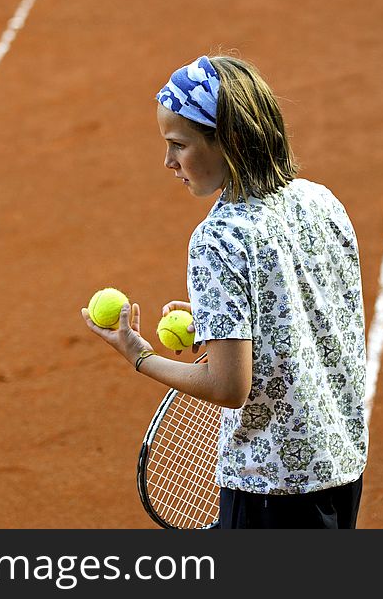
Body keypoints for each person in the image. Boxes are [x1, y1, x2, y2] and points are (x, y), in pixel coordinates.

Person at [81, 54, 368, 528]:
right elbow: (312, 316)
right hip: (340, 465)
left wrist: (138, 355)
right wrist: (221, 321)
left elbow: (229, 387)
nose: (168, 162)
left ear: (229, 142)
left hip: (271, 486)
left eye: (179, 145)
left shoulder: (217, 238)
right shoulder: (322, 200)